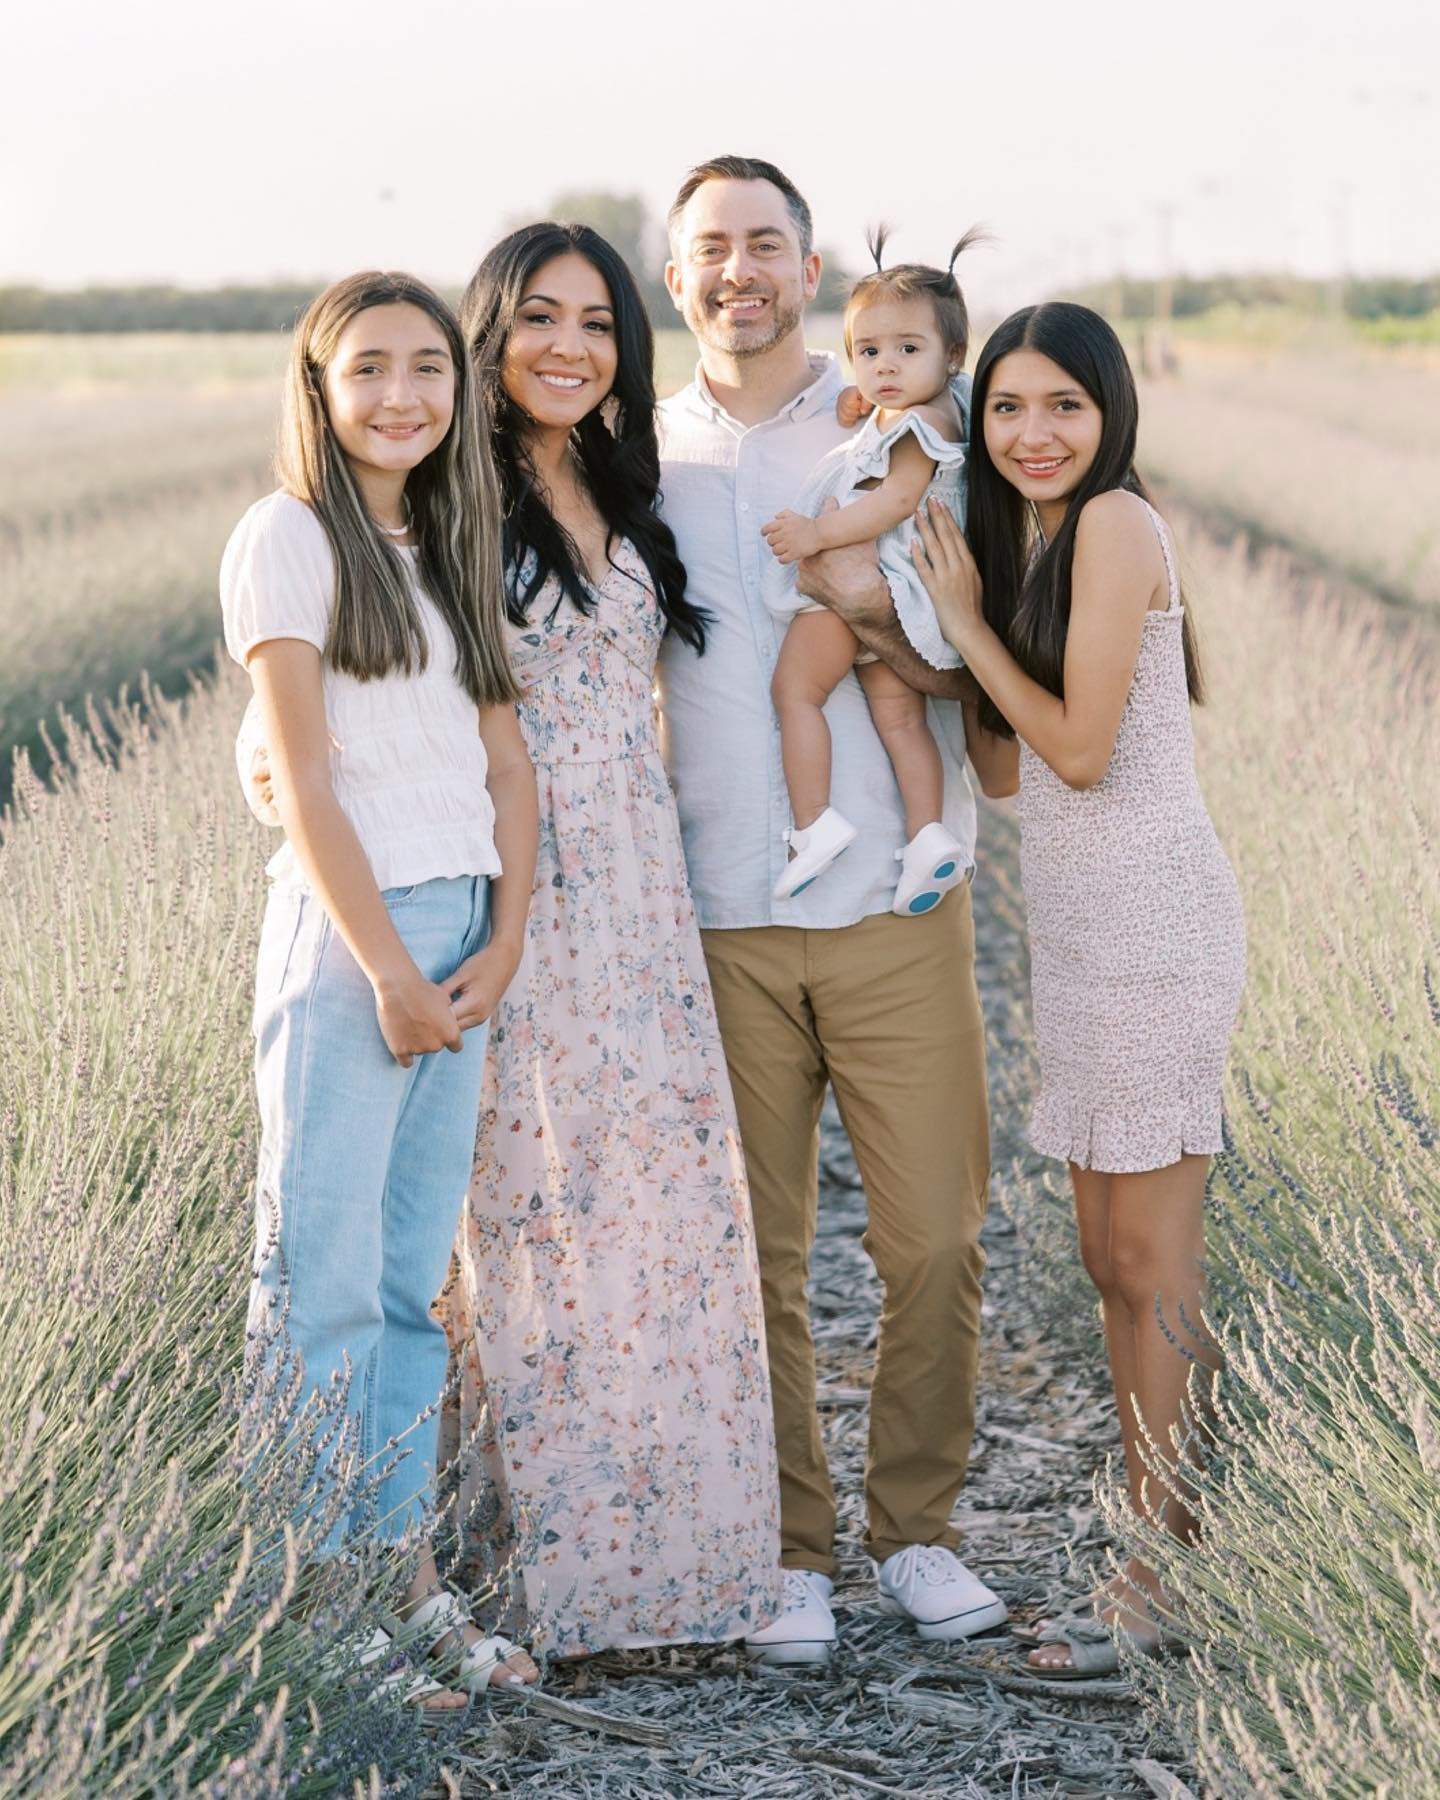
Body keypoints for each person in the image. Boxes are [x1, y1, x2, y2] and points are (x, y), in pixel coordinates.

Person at [658, 156, 1017, 1664]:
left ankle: (918, 1535)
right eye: (709, 251)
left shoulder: (892, 419)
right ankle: (787, 1551)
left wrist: (884, 625)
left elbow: (980, 652)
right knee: (757, 1257)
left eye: (765, 245)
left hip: (886, 894)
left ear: (806, 268)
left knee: (934, 1237)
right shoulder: (630, 443)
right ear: (676, 278)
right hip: (710, 909)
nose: (738, 271)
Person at [438, 223, 781, 1659]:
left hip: (640, 885)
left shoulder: (628, 490)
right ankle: (521, 1572)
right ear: (491, 332)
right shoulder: (448, 493)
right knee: (521, 1209)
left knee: (655, 1210)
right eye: (539, 318)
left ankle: (668, 1567)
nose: (568, 346)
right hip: (516, 877)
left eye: (594, 322)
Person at [909, 301, 1246, 1678]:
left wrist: (964, 624)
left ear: (1110, 415)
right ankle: (1150, 1544)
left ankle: (1164, 1573)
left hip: (1158, 923)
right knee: (1111, 1261)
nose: (1034, 434)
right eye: (1007, 408)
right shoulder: (1034, 540)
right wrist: (928, 633)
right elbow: (1003, 771)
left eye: (1063, 406)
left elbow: (1087, 753)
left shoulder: (1114, 525)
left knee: (1151, 1262)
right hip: (1084, 935)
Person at [221, 272, 541, 1709]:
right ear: (320, 385)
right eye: (371, 370)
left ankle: (402, 1588)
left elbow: (504, 760)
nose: (403, 394)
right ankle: (305, 1608)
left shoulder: (449, 540)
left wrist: (508, 931)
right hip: (355, 949)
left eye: (428, 366)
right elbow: (304, 784)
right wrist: (394, 973)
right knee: (318, 1291)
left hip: (462, 931)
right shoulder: (286, 539)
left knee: (413, 1291)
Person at [760, 231, 980, 916]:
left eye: (907, 351)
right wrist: (870, 407)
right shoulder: (933, 408)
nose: (885, 367)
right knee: (900, 718)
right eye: (868, 353)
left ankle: (815, 825)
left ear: (952, 355)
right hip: (907, 601)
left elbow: (895, 499)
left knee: (795, 691)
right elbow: (896, 417)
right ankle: (927, 837)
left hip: (868, 581)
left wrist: (817, 533)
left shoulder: (919, 426)